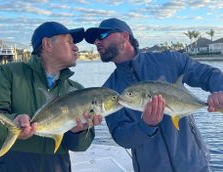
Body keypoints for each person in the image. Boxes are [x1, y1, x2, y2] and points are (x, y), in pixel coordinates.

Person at [84, 18, 223, 172]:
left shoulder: (169, 60)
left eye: (102, 35)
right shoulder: (109, 90)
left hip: (195, 166)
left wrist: (220, 90)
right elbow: (121, 136)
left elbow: (207, 75)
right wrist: (146, 126)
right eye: (94, 40)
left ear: (125, 36)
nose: (97, 42)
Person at [0, 21, 102, 172]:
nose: (76, 47)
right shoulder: (9, 74)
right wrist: (12, 123)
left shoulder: (77, 91)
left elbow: (80, 147)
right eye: (69, 41)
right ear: (47, 44)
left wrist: (79, 132)